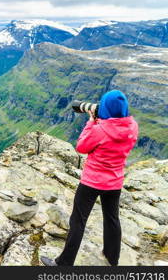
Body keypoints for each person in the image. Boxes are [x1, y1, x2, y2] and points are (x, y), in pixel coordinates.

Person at [41, 90, 138, 266]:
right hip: (115, 182)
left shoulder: (99, 129)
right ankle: (112, 257)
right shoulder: (133, 126)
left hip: (91, 181)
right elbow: (116, 131)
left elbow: (81, 147)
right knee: (112, 219)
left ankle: (64, 263)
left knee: (78, 221)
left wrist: (91, 122)